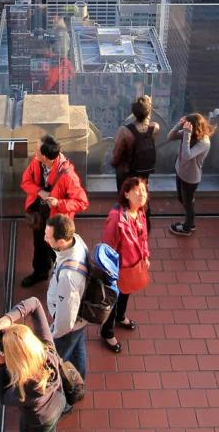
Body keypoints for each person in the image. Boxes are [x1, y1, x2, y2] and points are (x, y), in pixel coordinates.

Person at [0, 297, 66, 432]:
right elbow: (35, 304)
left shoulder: (26, 390)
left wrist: (1, 365)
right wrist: (8, 319)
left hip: (38, 421)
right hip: (57, 404)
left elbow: (4, 397)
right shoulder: (48, 352)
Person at [19, 135, 89, 288]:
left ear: (44, 156)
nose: (34, 152)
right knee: (39, 244)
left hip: (57, 220)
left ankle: (63, 279)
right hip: (40, 214)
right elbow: (25, 182)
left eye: (37, 149)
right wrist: (39, 191)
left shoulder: (68, 176)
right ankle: (40, 273)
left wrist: (59, 203)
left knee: (57, 250)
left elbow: (82, 202)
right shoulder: (37, 163)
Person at [100, 177, 149, 354]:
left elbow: (143, 238)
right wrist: (110, 271)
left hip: (133, 266)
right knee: (113, 298)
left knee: (126, 292)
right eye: (137, 191)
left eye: (143, 190)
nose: (142, 194)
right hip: (118, 268)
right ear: (126, 193)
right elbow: (108, 246)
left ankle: (121, 317)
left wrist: (145, 256)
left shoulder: (140, 212)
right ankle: (107, 332)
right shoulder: (116, 217)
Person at [43, 214, 89, 378]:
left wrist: (53, 333)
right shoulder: (75, 240)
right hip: (80, 319)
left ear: (61, 242)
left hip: (68, 326)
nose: (45, 238)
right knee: (78, 350)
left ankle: (67, 392)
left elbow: (65, 320)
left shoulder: (68, 277)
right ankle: (80, 381)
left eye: (48, 237)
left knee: (58, 359)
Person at [167, 112, 213, 237]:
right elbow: (169, 137)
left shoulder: (204, 142)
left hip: (190, 178)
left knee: (188, 203)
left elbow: (187, 156)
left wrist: (186, 134)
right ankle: (189, 221)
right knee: (182, 199)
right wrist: (178, 125)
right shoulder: (189, 135)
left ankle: (188, 226)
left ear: (195, 128)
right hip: (180, 171)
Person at [111, 95, 160, 192]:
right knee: (142, 191)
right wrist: (148, 106)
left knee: (126, 196)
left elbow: (116, 154)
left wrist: (114, 164)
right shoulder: (155, 127)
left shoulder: (124, 131)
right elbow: (146, 126)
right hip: (144, 170)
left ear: (133, 112)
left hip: (127, 172)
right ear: (149, 111)